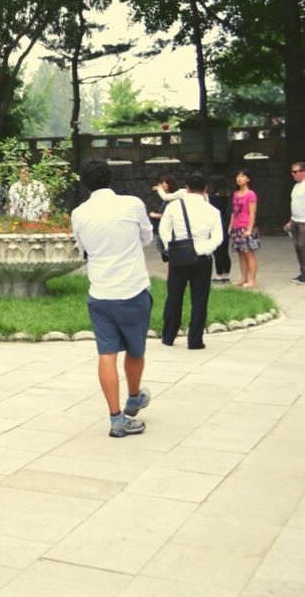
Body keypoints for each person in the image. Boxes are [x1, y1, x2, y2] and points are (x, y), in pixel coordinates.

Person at [70, 159, 154, 438]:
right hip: (132, 289)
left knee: (106, 354)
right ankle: (133, 397)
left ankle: (116, 419)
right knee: (135, 349)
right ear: (110, 178)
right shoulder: (132, 204)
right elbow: (146, 237)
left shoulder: (79, 213)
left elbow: (82, 247)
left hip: (100, 293)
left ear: (84, 183)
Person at [159, 172, 223, 350]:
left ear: (186, 188)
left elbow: (164, 231)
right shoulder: (213, 211)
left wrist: (171, 248)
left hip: (178, 256)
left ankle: (168, 337)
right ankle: (195, 340)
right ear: (205, 189)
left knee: (174, 297)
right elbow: (218, 237)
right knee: (200, 299)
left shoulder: (174, 207)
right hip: (202, 258)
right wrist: (203, 249)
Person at [230, 168, 259, 288]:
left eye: (242, 176)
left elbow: (252, 213)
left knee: (249, 253)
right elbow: (234, 211)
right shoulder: (235, 194)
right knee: (240, 253)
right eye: (238, 176)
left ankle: (252, 280)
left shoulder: (251, 194)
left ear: (248, 179)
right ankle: (243, 278)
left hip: (246, 226)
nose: (239, 178)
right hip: (237, 226)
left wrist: (249, 229)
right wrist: (231, 225)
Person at [208, 176, 233, 283]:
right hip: (225, 222)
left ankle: (219, 274)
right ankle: (226, 274)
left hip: (215, 223)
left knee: (217, 251)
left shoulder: (211, 198)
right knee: (225, 251)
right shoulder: (225, 196)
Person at [285, 161, 305, 285]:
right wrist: (291, 222)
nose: (293, 174)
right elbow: (295, 205)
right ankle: (303, 272)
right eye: (292, 171)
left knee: (303, 247)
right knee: (298, 247)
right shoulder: (296, 186)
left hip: (304, 222)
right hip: (296, 221)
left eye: (295, 171)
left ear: (303, 172)